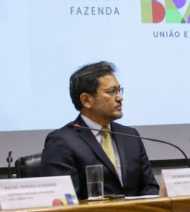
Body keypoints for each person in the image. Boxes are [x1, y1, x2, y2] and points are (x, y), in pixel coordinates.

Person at [41, 62, 159, 198]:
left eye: (119, 90)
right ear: (86, 100)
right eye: (111, 92)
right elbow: (64, 199)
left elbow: (149, 188)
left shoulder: (130, 135)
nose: (120, 97)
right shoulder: (61, 141)